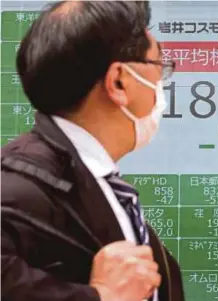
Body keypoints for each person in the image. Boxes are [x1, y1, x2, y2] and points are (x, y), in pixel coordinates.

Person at [1, 1, 184, 301]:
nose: (160, 85)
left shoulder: (99, 188)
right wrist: (99, 297)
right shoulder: (19, 187)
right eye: (158, 66)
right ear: (119, 82)